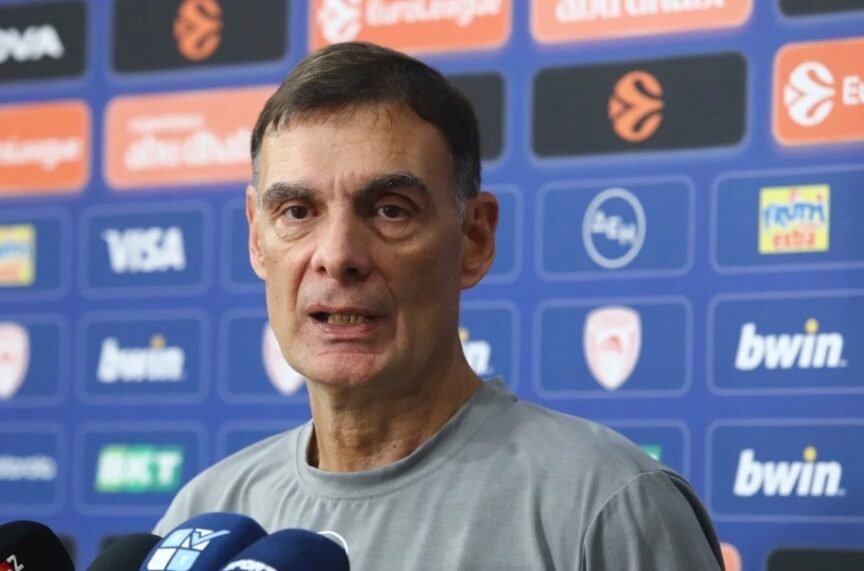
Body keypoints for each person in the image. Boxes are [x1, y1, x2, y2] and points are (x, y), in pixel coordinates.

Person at [155, 42, 723, 570]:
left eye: (389, 210)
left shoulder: (606, 507)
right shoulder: (201, 520)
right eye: (298, 212)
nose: (337, 256)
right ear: (257, 238)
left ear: (475, 238)